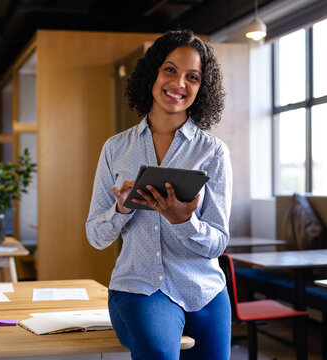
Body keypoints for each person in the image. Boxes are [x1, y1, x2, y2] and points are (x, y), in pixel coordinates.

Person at [86, 29, 232, 360]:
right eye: (170, 69)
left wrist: (185, 222)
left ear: (202, 87)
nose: (179, 83)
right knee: (159, 353)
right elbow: (95, 235)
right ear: (153, 72)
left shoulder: (214, 153)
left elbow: (219, 241)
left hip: (205, 290)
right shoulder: (116, 148)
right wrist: (120, 212)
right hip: (139, 288)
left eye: (192, 77)